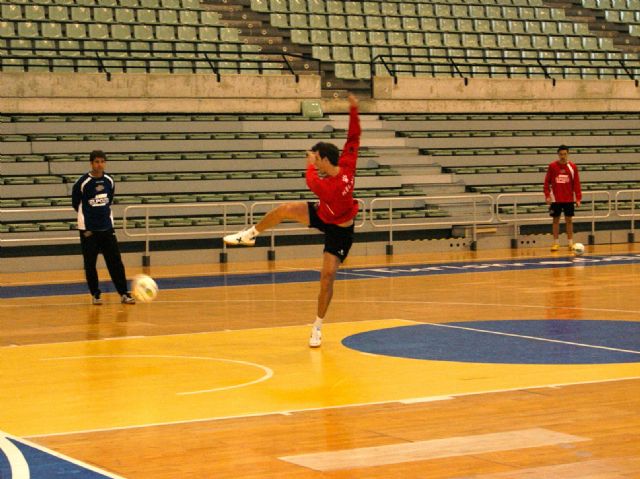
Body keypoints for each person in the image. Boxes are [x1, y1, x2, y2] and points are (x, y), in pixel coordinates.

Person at [223, 94, 361, 347]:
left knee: (327, 277)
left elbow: (311, 182)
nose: (314, 161)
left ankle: (317, 326)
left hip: (340, 230)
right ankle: (251, 234)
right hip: (323, 213)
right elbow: (353, 137)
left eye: (316, 158)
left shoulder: (328, 185)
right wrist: (353, 110)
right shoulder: (348, 162)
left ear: (325, 160)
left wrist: (309, 165)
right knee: (285, 208)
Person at [72, 150, 136, 305]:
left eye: (102, 161)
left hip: (107, 228)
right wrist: (87, 222)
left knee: (115, 262)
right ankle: (95, 294)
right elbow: (76, 203)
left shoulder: (109, 181)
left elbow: (109, 199)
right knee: (90, 264)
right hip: (89, 230)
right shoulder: (82, 183)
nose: (99, 165)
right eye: (96, 162)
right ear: (91, 163)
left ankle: (123, 293)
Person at [544, 145, 582, 252]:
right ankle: (556, 243)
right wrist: (547, 195)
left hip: (568, 199)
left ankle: (570, 243)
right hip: (555, 199)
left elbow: (577, 184)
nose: (563, 156)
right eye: (561, 154)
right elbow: (547, 182)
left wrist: (578, 198)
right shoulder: (552, 166)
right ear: (558, 155)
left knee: (569, 220)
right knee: (555, 220)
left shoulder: (573, 167)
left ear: (567, 154)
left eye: (565, 154)